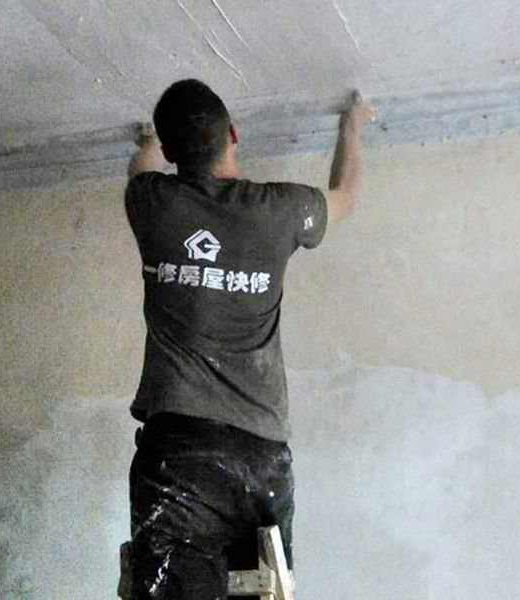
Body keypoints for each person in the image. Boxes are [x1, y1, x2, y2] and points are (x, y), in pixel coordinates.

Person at [122, 79, 374, 599]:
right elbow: (345, 197)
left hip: (178, 457)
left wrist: (147, 143)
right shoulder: (280, 210)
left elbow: (140, 169)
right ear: (233, 134)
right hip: (258, 456)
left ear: (171, 152)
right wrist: (351, 126)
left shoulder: (151, 203)